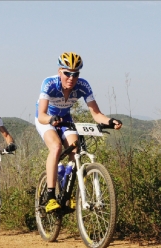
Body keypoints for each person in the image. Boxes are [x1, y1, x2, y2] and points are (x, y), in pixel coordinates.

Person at [35, 52, 122, 213]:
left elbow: (96, 114)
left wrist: (110, 121)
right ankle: (50, 196)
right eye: (67, 73)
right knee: (56, 147)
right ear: (60, 71)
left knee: (76, 151)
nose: (71, 78)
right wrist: (51, 119)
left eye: (75, 74)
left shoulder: (83, 85)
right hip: (47, 119)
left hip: (66, 119)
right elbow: (41, 115)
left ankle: (70, 190)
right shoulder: (49, 84)